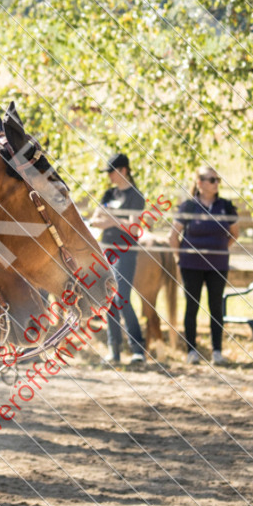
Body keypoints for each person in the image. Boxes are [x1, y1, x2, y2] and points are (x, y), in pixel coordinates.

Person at [169, 167, 239, 365]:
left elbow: (235, 233)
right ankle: (192, 351)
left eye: (218, 179)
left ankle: (217, 351)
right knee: (192, 307)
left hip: (218, 265)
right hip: (191, 265)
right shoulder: (188, 207)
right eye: (211, 179)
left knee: (216, 307)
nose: (216, 183)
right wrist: (179, 258)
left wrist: (218, 249)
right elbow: (173, 236)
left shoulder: (225, 206)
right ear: (199, 183)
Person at [90, 153, 146, 364]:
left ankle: (137, 348)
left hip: (126, 251)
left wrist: (111, 219)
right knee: (108, 299)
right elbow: (95, 221)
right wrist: (116, 221)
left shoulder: (135, 196)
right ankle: (114, 350)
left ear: (122, 170)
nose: (109, 177)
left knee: (121, 297)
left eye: (111, 172)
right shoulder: (108, 194)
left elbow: (133, 228)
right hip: (106, 251)